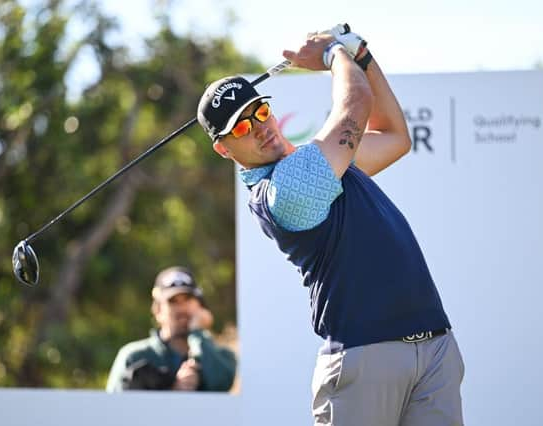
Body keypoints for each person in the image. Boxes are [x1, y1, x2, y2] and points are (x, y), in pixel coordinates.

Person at [196, 26, 464, 425]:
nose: (260, 127)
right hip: (364, 356)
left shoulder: (324, 163)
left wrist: (362, 56)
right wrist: (333, 53)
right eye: (240, 127)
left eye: (261, 111)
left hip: (433, 347)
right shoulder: (282, 189)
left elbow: (394, 136)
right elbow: (355, 104)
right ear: (223, 148)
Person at [106, 266, 236, 392]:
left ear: (201, 307)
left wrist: (198, 334)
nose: (182, 308)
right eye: (173, 301)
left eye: (188, 299)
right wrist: (173, 392)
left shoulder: (222, 357)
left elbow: (222, 383)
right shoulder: (134, 357)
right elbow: (114, 410)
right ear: (158, 311)